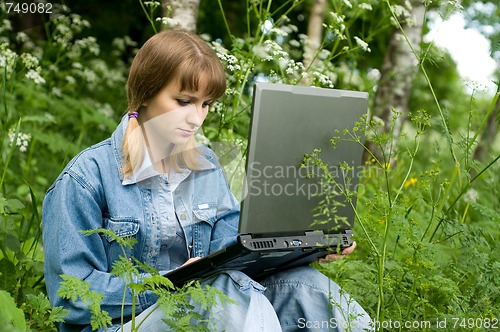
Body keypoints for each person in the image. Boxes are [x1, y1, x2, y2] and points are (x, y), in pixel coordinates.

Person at [42, 30, 372, 332]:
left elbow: (230, 253)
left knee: (309, 288)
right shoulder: (85, 178)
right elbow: (71, 298)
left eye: (206, 104)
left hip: (211, 307)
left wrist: (303, 248)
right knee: (219, 295)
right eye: (183, 101)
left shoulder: (206, 165)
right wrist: (168, 282)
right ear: (144, 94)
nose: (196, 118)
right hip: (120, 325)